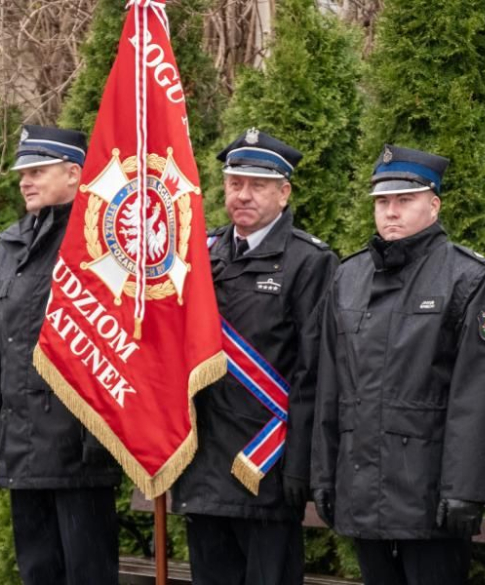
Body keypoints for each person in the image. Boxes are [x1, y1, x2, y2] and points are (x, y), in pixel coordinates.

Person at [311, 144, 485, 585]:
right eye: (382, 201)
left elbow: (480, 396)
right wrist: (324, 475)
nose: (391, 212)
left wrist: (465, 490)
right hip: (361, 489)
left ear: (434, 204)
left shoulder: (469, 278)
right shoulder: (349, 277)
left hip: (430, 498)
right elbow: (331, 387)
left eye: (405, 200)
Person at [171, 128, 339, 585]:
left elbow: (314, 375)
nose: (243, 195)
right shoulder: (199, 256)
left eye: (258, 185)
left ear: (284, 193)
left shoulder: (310, 262)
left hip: (265, 463)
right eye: (234, 183)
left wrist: (302, 465)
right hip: (203, 464)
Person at [0, 125, 121, 585]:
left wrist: (102, 436)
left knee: (87, 574)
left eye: (37, 170)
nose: (24, 181)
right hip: (22, 444)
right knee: (38, 572)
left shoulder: (101, 243)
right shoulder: (10, 246)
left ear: (74, 174)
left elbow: (118, 347)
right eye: (22, 171)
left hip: (79, 449)